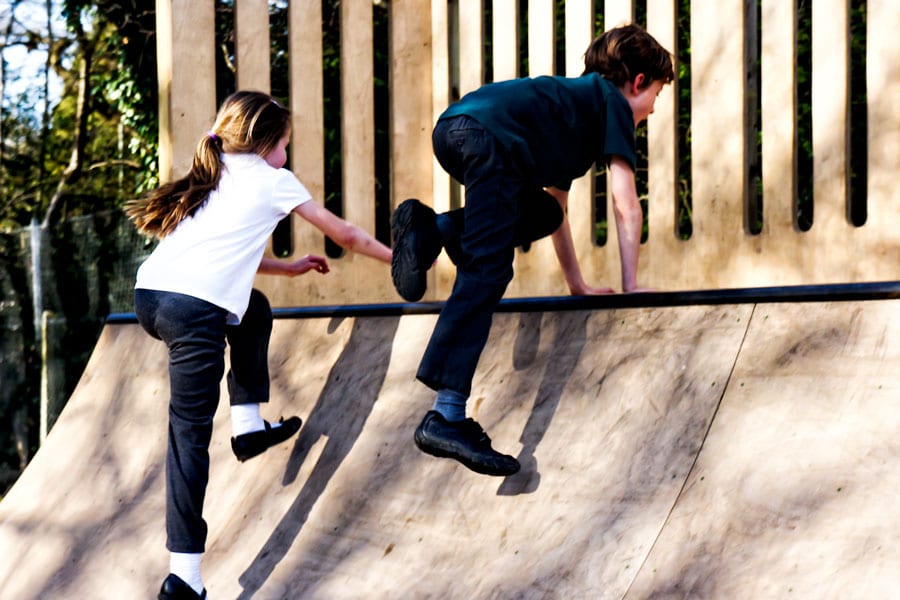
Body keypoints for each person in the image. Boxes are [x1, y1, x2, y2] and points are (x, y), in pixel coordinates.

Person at [126, 91, 392, 600]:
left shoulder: (216, 165)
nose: (287, 157)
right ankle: (184, 577)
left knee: (255, 309)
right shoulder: (276, 182)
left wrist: (286, 267)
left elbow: (219, 251)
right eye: (285, 145)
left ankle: (248, 426)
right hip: (192, 311)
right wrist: (401, 257)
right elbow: (346, 234)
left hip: (151, 295)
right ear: (267, 143)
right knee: (188, 439)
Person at [391, 24, 674, 477]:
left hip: (456, 130)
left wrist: (578, 285)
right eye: (656, 97)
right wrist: (631, 286)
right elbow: (625, 203)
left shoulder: (568, 116)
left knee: (539, 214)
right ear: (637, 81)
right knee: (488, 270)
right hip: (488, 140)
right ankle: (447, 415)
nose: (652, 111)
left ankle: (434, 229)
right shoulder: (612, 102)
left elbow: (555, 215)